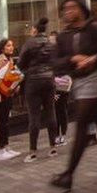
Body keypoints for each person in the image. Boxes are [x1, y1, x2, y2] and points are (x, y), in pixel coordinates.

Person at [49, 0, 97, 191]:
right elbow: (56, 64)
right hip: (79, 80)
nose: (68, 11)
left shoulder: (95, 28)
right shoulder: (63, 36)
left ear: (82, 9)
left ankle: (68, 175)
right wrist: (73, 58)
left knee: (83, 121)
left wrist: (93, 58)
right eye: (65, 8)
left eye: (72, 7)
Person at [18, 17, 59, 162]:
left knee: (34, 116)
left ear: (35, 29)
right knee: (51, 113)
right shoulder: (50, 43)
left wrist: (29, 70)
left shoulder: (29, 43)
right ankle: (53, 147)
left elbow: (20, 63)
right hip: (49, 80)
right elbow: (55, 61)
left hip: (33, 82)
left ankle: (33, 151)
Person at [0, 38, 20, 161]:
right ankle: (0, 151)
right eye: (8, 46)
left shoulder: (10, 59)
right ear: (2, 48)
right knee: (2, 121)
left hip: (6, 93)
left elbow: (11, 77)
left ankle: (6, 147)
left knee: (6, 121)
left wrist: (15, 86)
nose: (11, 47)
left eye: (12, 45)